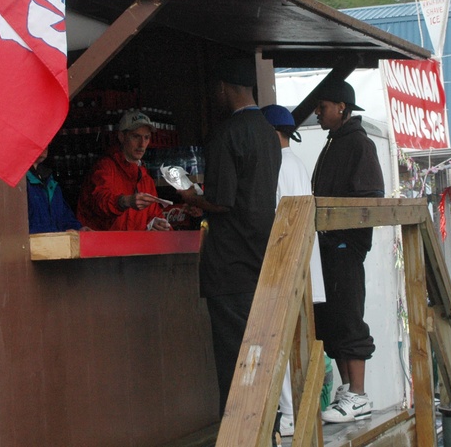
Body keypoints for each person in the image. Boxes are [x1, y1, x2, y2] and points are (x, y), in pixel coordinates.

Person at [177, 54, 281, 416]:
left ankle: (241, 435)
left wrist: (191, 196)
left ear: (223, 88)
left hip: (229, 265)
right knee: (258, 358)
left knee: (234, 364)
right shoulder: (269, 133)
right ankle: (264, 431)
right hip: (261, 258)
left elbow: (221, 201)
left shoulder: (227, 134)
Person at [311, 79, 383, 424]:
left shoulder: (358, 143)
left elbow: (371, 197)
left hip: (345, 246)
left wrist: (342, 233)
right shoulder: (335, 142)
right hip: (327, 245)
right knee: (332, 320)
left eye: (322, 106)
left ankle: (358, 394)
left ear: (342, 107)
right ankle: (347, 391)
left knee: (349, 317)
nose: (317, 112)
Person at [261, 104, 325, 438]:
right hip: (304, 263)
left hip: (286, 262)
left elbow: (277, 218)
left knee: (282, 344)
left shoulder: (275, 166)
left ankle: (289, 413)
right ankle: (300, 409)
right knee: (298, 341)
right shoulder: (296, 163)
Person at [76, 109, 172, 231]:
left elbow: (154, 214)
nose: (142, 144)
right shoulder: (105, 167)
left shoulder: (145, 178)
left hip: (134, 248)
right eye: (136, 136)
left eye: (146, 137)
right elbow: (99, 203)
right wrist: (123, 201)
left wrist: (155, 223)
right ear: (121, 136)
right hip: (104, 247)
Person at [27, 147, 83, 234]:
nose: (45, 146)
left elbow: (65, 217)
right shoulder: (19, 184)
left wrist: (79, 229)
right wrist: (59, 233)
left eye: (48, 143)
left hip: (56, 244)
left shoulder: (50, 182)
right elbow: (18, 228)